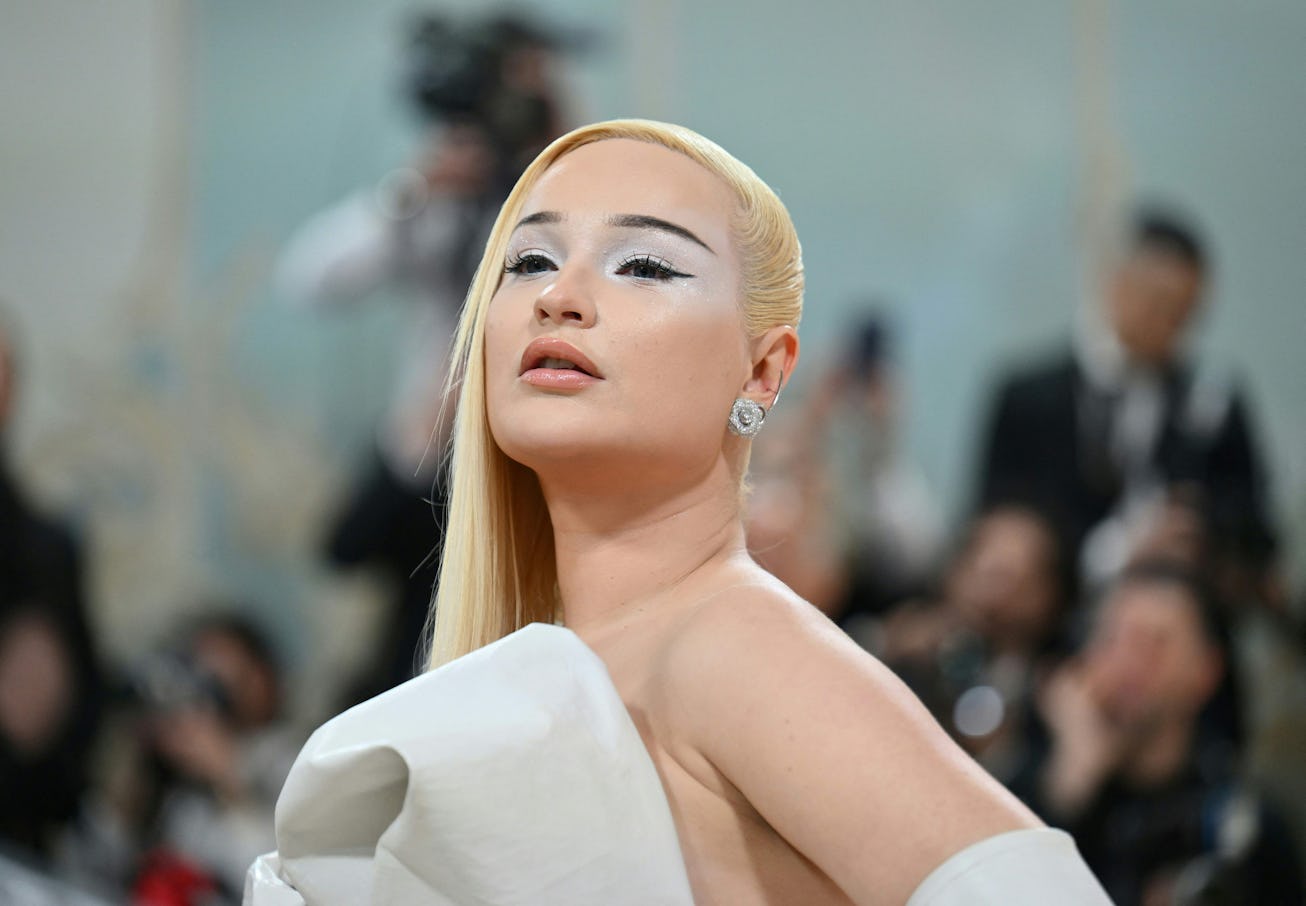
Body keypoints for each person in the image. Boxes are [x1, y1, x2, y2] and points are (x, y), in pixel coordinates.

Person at [246, 120, 1110, 904]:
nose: (559, 296)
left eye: (647, 266)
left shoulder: (740, 651)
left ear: (763, 372)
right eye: (530, 261)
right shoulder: (549, 658)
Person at [975, 210, 1277, 602]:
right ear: (1115, 283)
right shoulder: (1027, 398)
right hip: (1055, 616)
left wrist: (1194, 528)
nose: (1170, 327)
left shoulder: (1214, 405)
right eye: (1157, 304)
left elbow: (1254, 524)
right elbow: (995, 523)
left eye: (1185, 314)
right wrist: (1111, 555)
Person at [1017, 562, 1301, 905]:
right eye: (1111, 638)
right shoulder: (1029, 787)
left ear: (1206, 671)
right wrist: (1072, 776)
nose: (1127, 661)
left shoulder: (1238, 826)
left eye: (1153, 644)